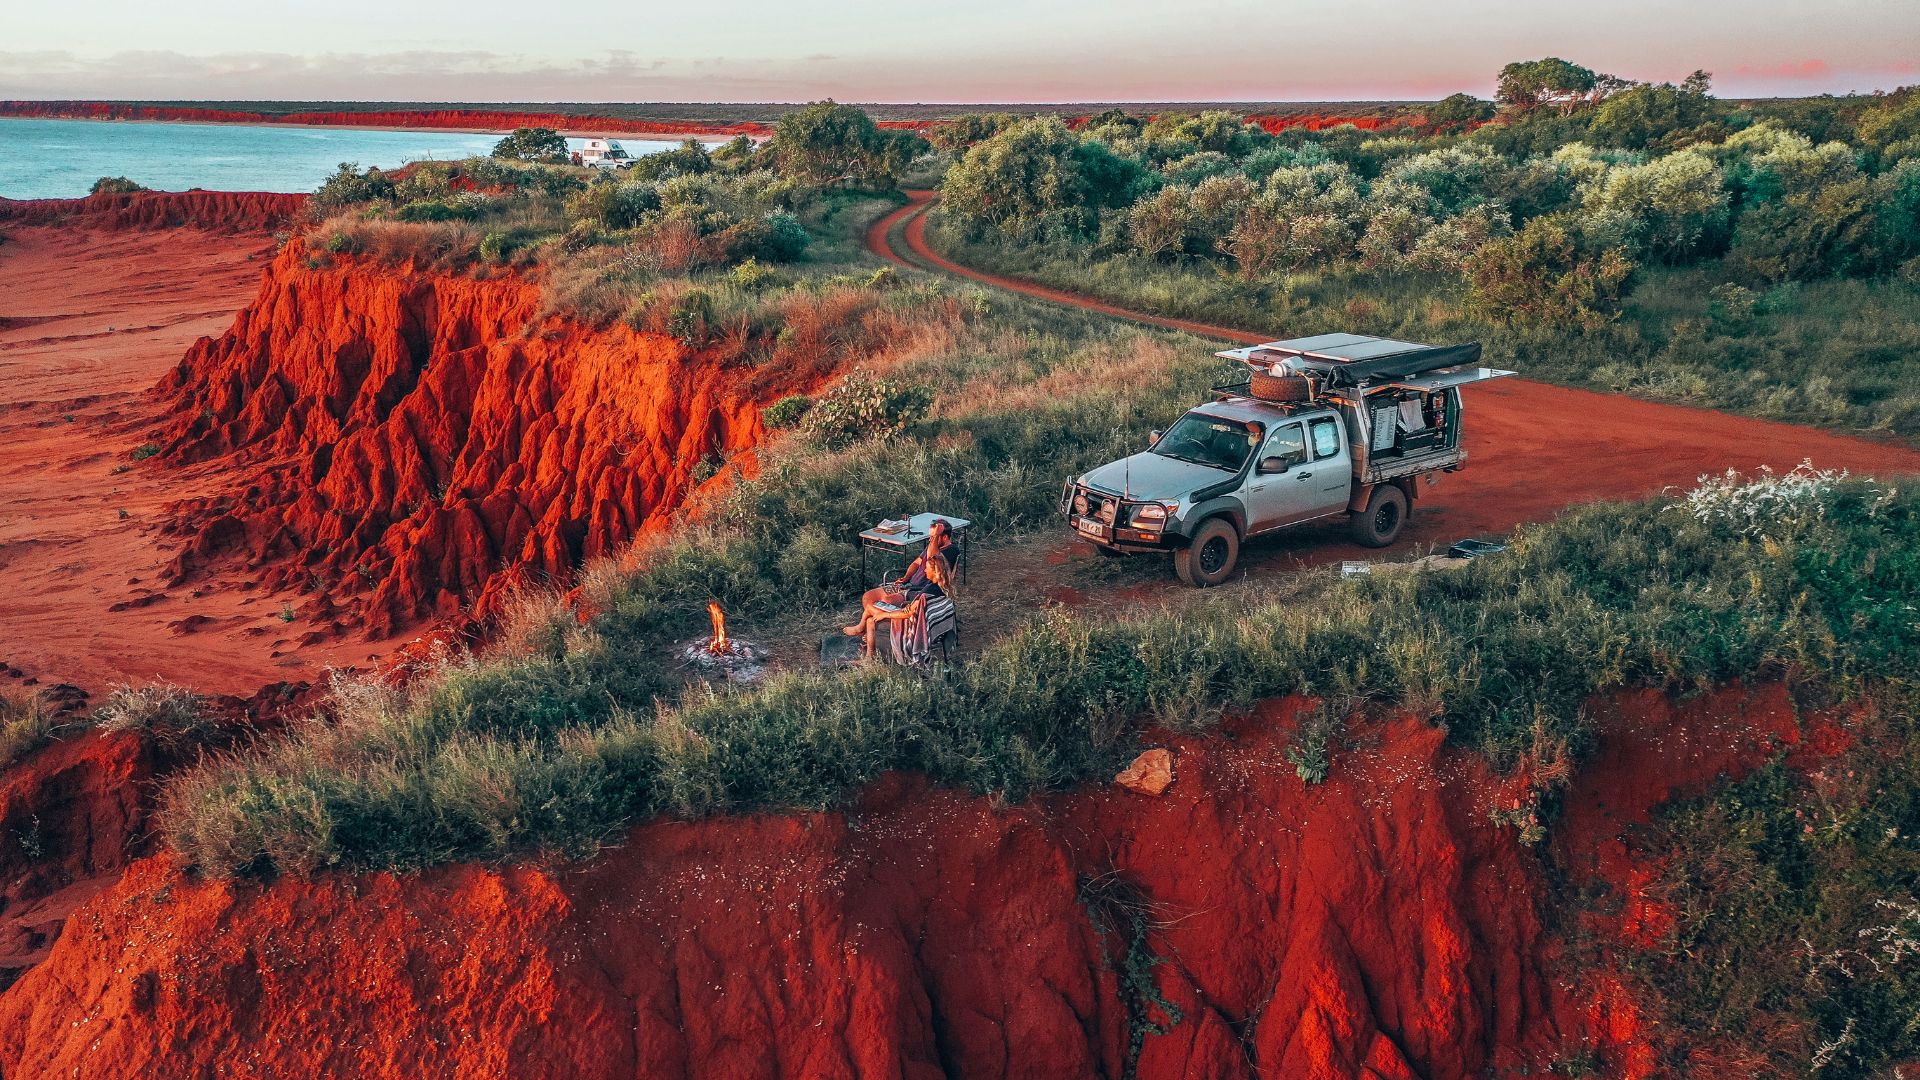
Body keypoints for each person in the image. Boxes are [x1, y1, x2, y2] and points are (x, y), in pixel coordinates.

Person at [843, 519, 953, 637]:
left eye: (933, 537)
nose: (930, 540)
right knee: (868, 596)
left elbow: (931, 558)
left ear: (945, 537)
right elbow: (917, 562)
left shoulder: (950, 552)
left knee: (885, 601)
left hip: (915, 591)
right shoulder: (932, 546)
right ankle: (871, 627)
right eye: (930, 537)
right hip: (907, 585)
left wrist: (935, 535)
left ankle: (874, 629)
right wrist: (906, 577)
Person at [855, 551, 950, 658]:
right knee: (872, 613)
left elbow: (908, 614)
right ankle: (867, 646)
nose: (924, 570)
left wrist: (885, 615)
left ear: (935, 571)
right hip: (923, 620)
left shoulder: (928, 590)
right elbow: (917, 607)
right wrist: (910, 605)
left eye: (926, 568)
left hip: (911, 624)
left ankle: (866, 646)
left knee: (870, 616)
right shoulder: (942, 588)